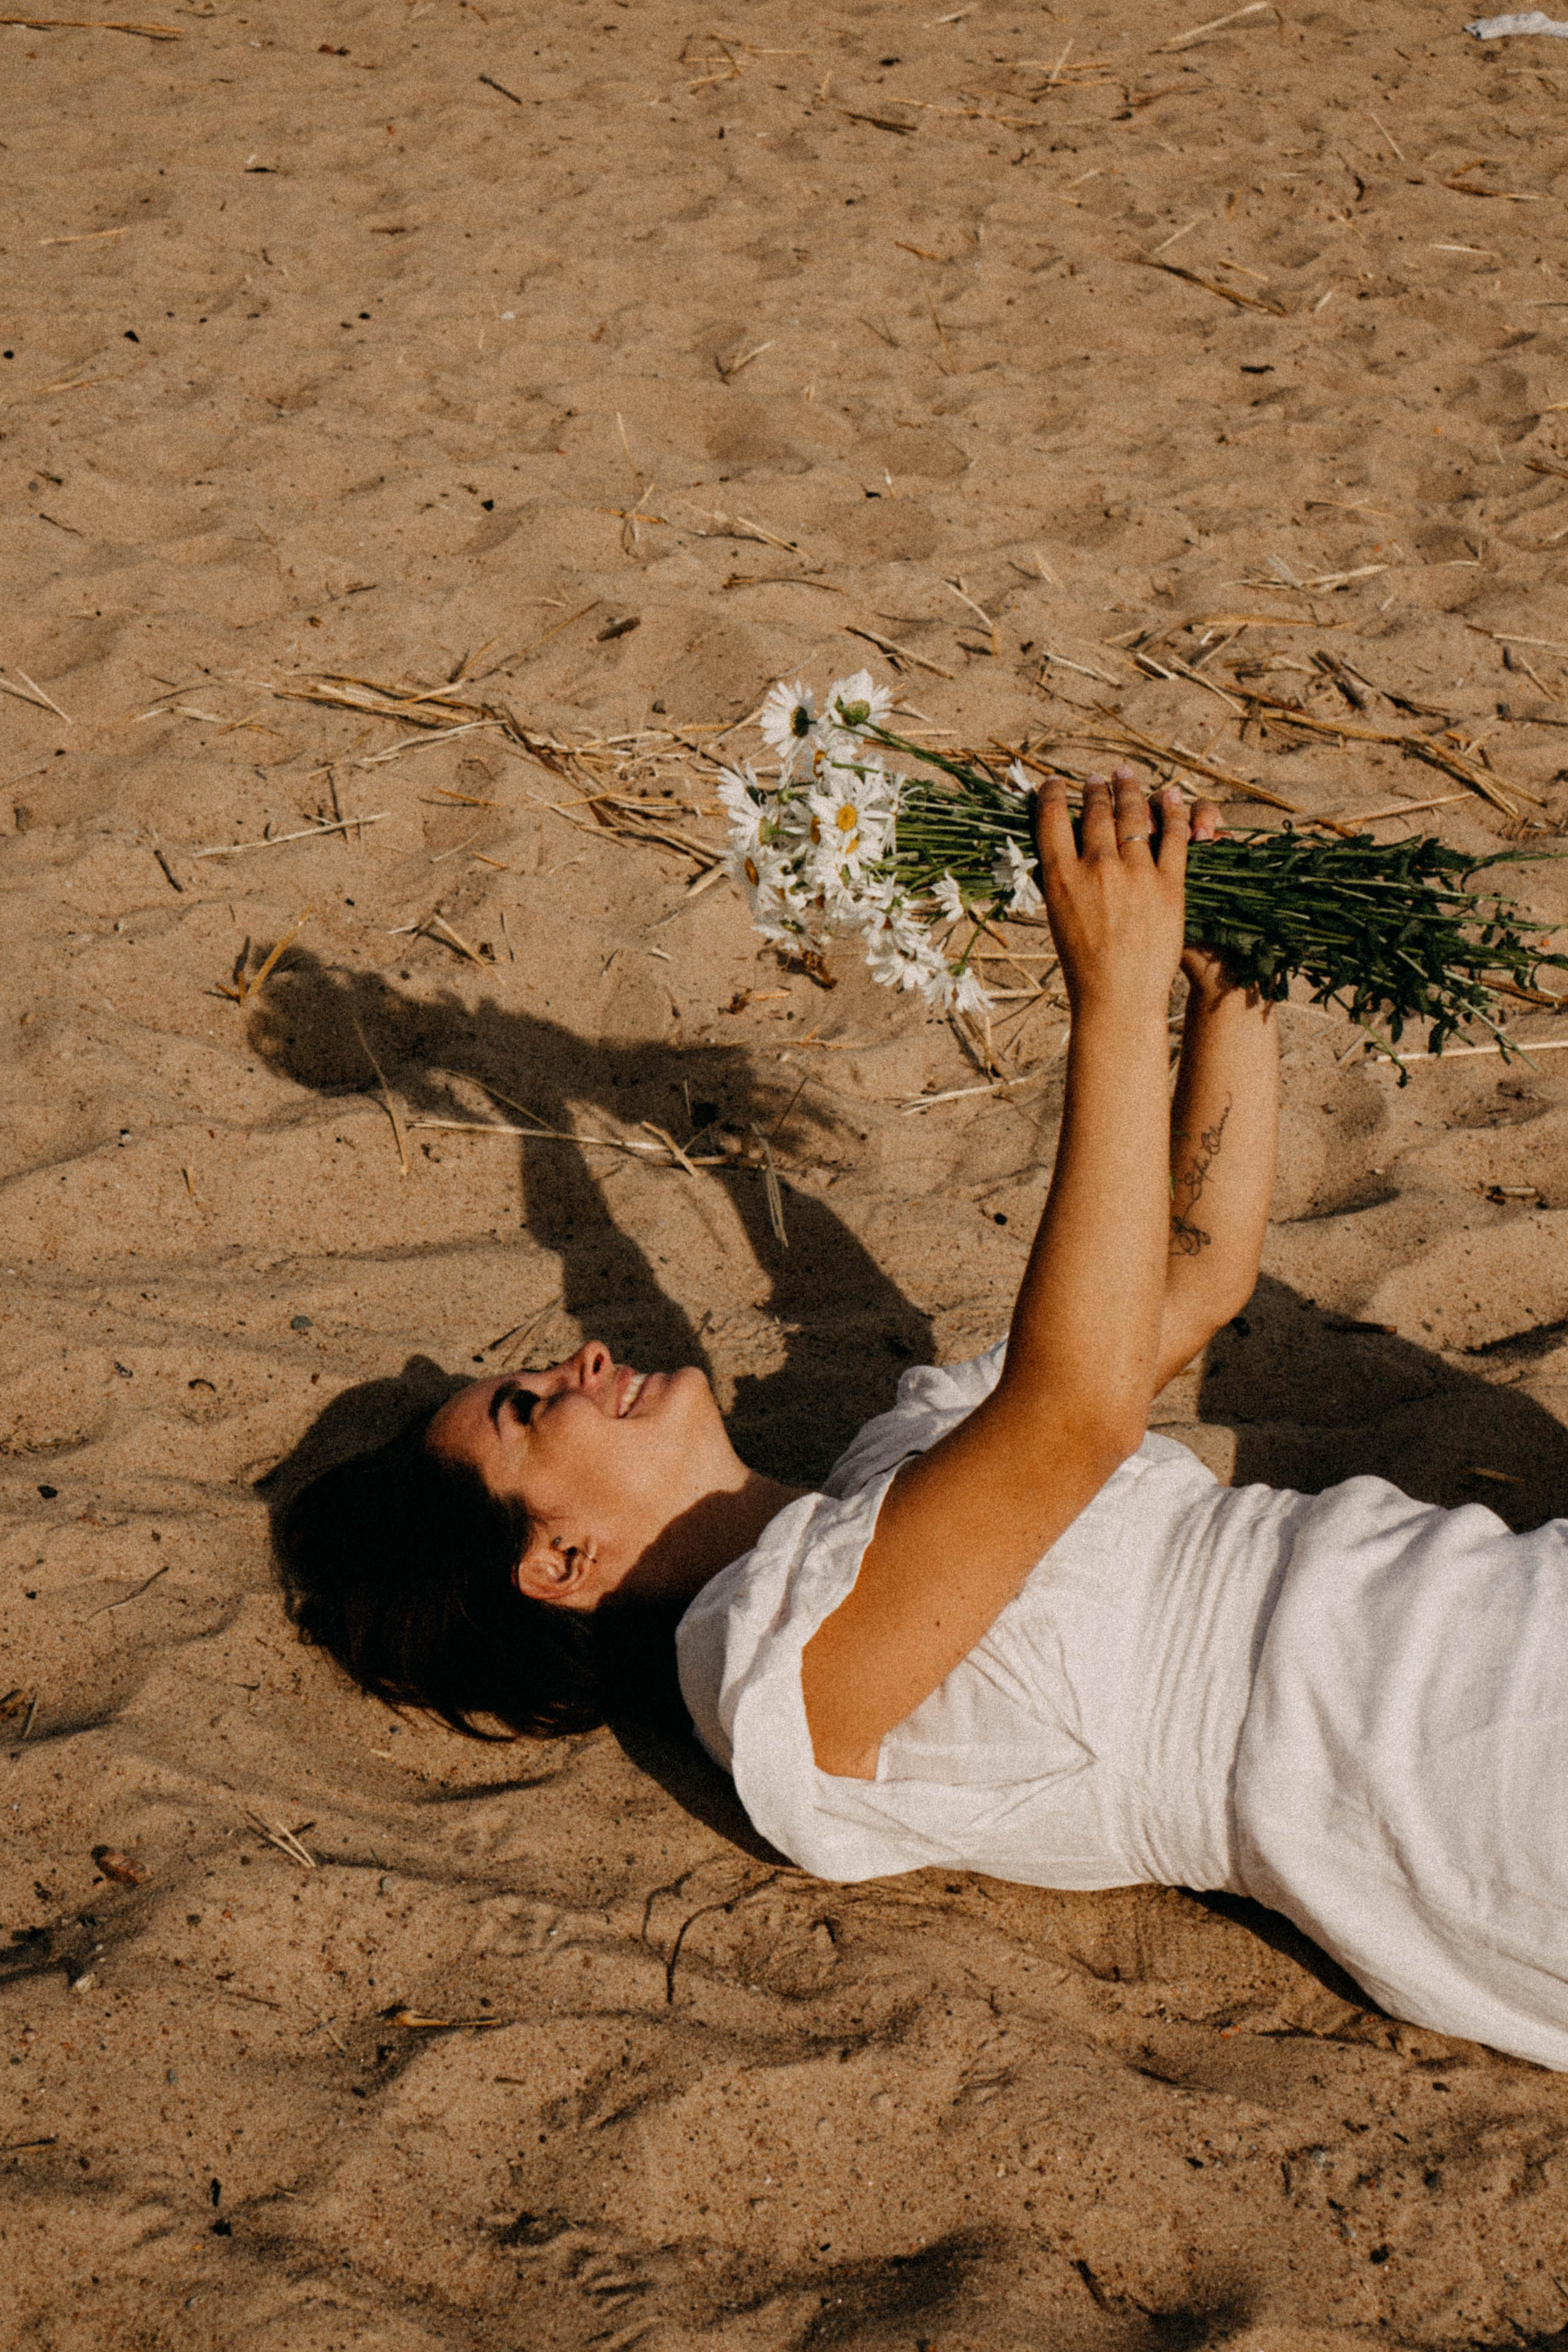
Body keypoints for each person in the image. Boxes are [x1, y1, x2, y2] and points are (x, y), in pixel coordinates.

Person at [276, 772, 1568, 2071]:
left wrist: (1226, 982)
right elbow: (1076, 1417)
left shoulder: (900, 1454)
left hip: (1481, 1597)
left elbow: (1187, 1275)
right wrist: (1113, 999)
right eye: (526, 1406)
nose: (582, 1359)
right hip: (1433, 1766)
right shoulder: (775, 1682)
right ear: (560, 1562)